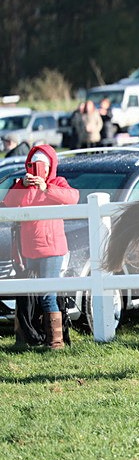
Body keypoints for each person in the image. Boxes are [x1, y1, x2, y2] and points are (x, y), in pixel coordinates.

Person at [2, 144, 79, 348]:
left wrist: (47, 187)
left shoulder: (58, 182)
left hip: (52, 249)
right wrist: (21, 186)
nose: (36, 170)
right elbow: (8, 204)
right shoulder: (23, 185)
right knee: (28, 294)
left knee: (47, 294)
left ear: (49, 167)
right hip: (27, 249)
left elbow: (73, 198)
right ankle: (28, 338)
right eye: (33, 165)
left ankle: (56, 341)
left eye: (41, 166)